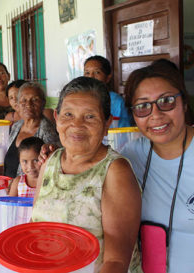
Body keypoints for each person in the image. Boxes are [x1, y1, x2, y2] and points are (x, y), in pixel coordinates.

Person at [32, 77, 142, 273]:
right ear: (56, 118)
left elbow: (116, 262)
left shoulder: (114, 171)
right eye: (68, 114)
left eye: (90, 116)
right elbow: (35, 226)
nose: (77, 124)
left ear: (107, 122)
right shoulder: (50, 161)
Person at [122, 63, 194, 273]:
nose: (155, 114)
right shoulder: (129, 156)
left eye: (166, 101)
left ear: (185, 103)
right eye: (143, 106)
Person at [0, 81, 60, 179]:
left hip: (26, 191)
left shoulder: (47, 132)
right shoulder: (17, 126)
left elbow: (51, 171)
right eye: (23, 100)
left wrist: (18, 185)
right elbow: (14, 163)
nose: (28, 104)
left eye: (35, 100)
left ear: (43, 103)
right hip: (10, 188)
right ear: (18, 103)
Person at [84, 55, 131, 127]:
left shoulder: (117, 101)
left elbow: (124, 131)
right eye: (87, 73)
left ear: (108, 78)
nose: (91, 77)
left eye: (97, 72)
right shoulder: (80, 99)